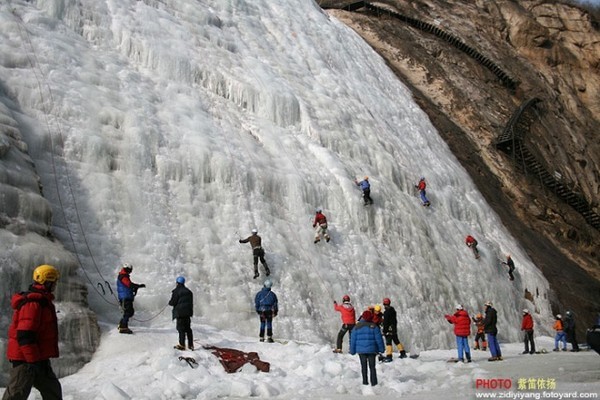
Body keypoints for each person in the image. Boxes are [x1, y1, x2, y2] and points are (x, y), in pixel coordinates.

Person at [3, 265, 62, 400]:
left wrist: (37, 360)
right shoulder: (33, 304)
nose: (55, 285)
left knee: (53, 391)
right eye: (54, 282)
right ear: (47, 282)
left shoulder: (42, 301)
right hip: (26, 359)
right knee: (16, 394)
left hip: (38, 357)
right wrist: (33, 360)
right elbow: (25, 335)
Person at [349, 310, 385, 387]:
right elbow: (379, 339)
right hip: (372, 350)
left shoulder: (356, 327)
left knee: (363, 367)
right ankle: (374, 383)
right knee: (372, 367)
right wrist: (381, 349)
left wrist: (352, 351)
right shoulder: (374, 327)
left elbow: (353, 340)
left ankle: (365, 382)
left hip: (361, 351)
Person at [117, 263, 145, 334]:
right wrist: (137, 286)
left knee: (129, 312)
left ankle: (122, 324)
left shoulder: (124, 276)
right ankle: (123, 327)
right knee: (128, 312)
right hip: (125, 297)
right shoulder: (123, 276)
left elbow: (129, 284)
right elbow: (129, 284)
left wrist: (136, 287)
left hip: (126, 297)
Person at [169, 276, 194, 351]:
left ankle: (182, 345)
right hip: (188, 313)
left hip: (180, 313)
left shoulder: (176, 291)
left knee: (181, 329)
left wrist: (170, 302)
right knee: (188, 329)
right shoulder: (189, 292)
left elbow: (173, 302)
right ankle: (191, 345)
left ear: (177, 283)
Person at [381, 297, 407, 361]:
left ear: (384, 304)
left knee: (388, 342)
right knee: (396, 341)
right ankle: (403, 352)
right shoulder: (393, 310)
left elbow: (386, 322)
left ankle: (389, 356)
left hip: (389, 330)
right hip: (394, 328)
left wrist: (384, 330)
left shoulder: (386, 312)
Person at [254, 278, 278, 343]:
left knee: (262, 323)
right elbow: (275, 303)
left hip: (262, 310)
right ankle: (269, 337)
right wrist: (275, 311)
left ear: (264, 285)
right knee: (269, 323)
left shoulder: (259, 294)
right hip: (270, 310)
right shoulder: (273, 294)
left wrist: (257, 310)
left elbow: (257, 302)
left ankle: (261, 337)